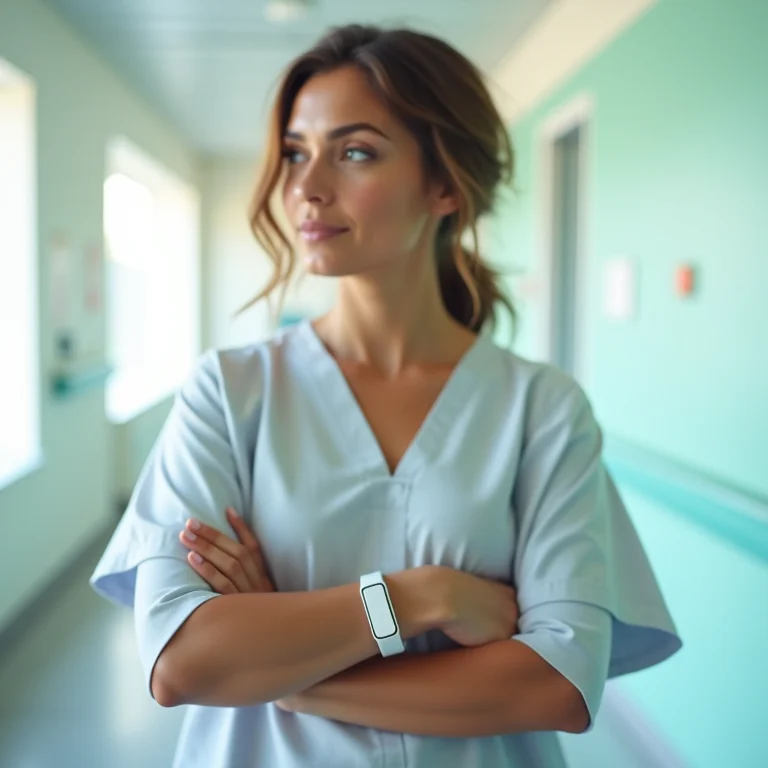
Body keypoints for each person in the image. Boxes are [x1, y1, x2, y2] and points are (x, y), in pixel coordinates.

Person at [90, 23, 682, 768]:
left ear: (444, 185)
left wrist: (291, 674)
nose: (306, 187)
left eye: (356, 151)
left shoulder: (542, 409)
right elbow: (183, 664)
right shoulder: (230, 391)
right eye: (298, 153)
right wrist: (419, 597)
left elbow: (554, 686)